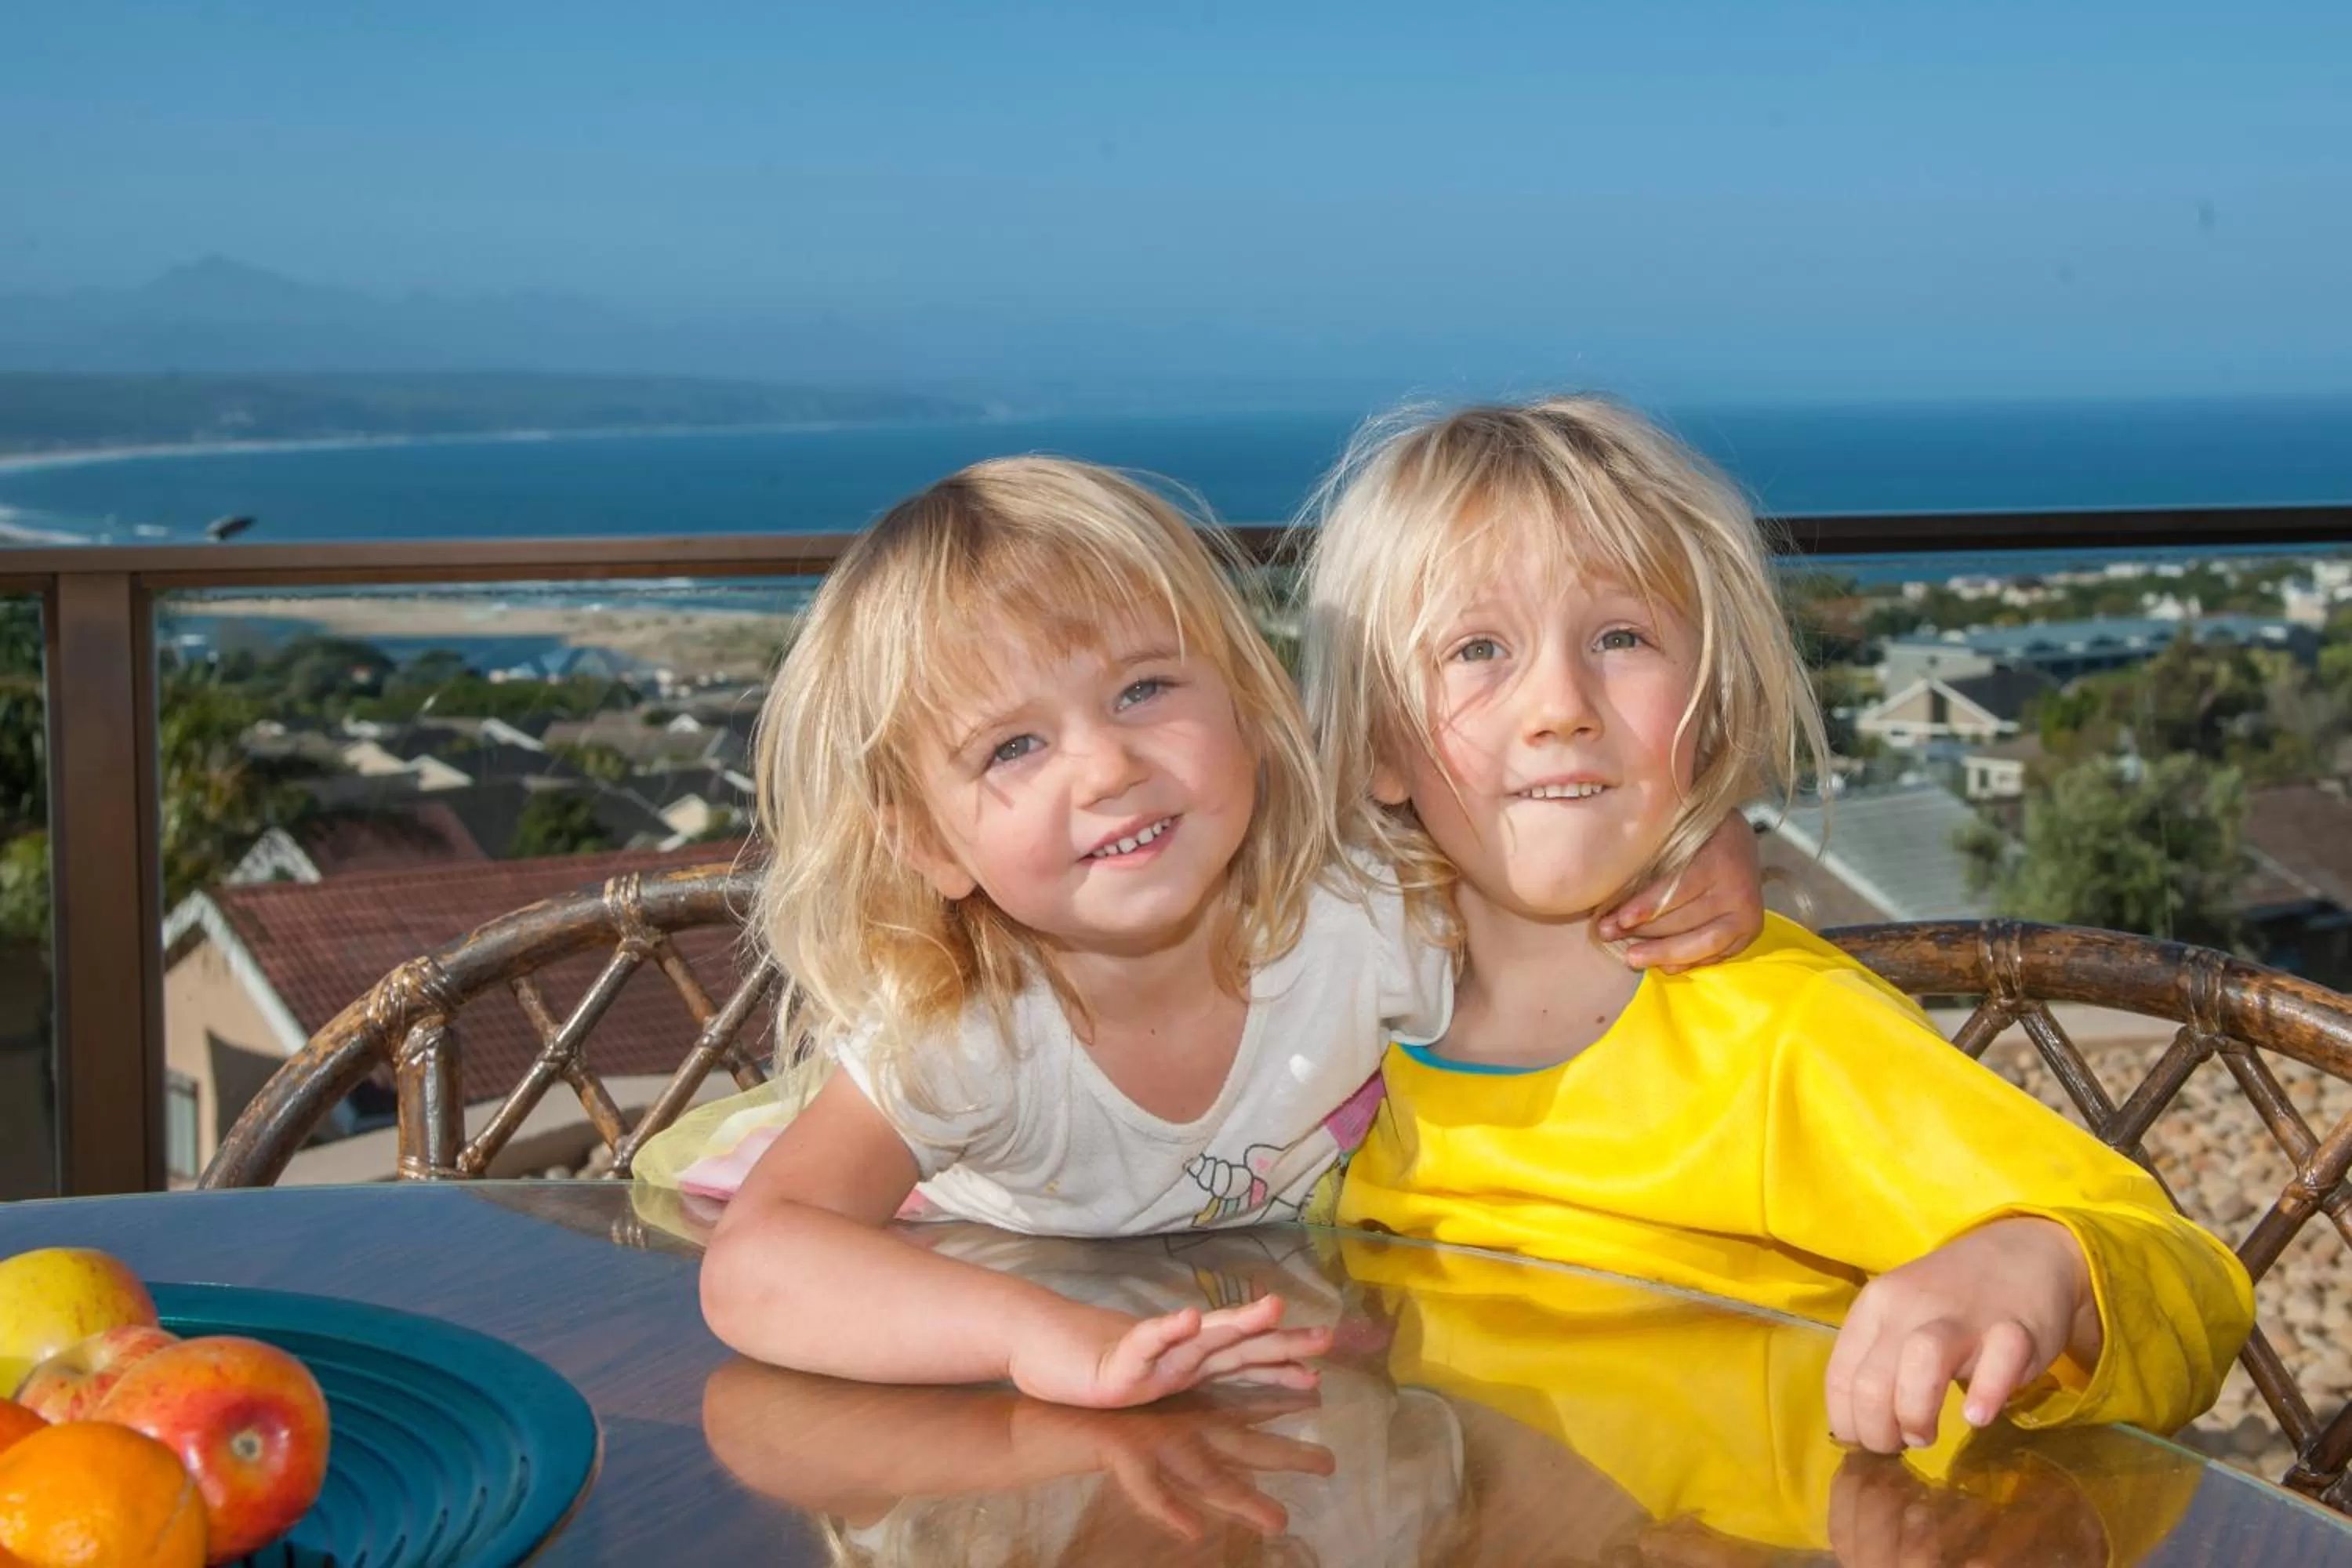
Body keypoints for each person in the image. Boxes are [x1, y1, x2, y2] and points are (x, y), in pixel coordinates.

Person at [662, 455, 1766, 1406]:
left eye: (1144, 689)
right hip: (987, 1356)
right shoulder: (968, 1034)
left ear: (1245, 702)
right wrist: (1036, 1334)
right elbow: (759, 1260)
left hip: (1302, 1376)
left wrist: (1691, 844)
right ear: (931, 848)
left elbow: (1552, 881)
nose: (1108, 768)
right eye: (1012, 749)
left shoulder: (1363, 912)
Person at [1300, 395, 2255, 1453]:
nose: (1559, 702)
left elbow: (2188, 1283)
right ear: (1379, 743)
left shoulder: (1780, 1040)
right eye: (1477, 650)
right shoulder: (1337, 1027)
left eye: (1621, 636)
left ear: (1706, 721)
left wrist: (2036, 1265)